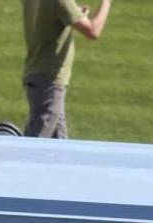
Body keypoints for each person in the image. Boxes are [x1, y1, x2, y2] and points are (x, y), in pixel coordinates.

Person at [21, 0, 113, 138]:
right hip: (49, 80)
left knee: (59, 145)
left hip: (38, 74)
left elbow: (49, 18)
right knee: (35, 143)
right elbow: (93, 31)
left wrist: (74, 14)